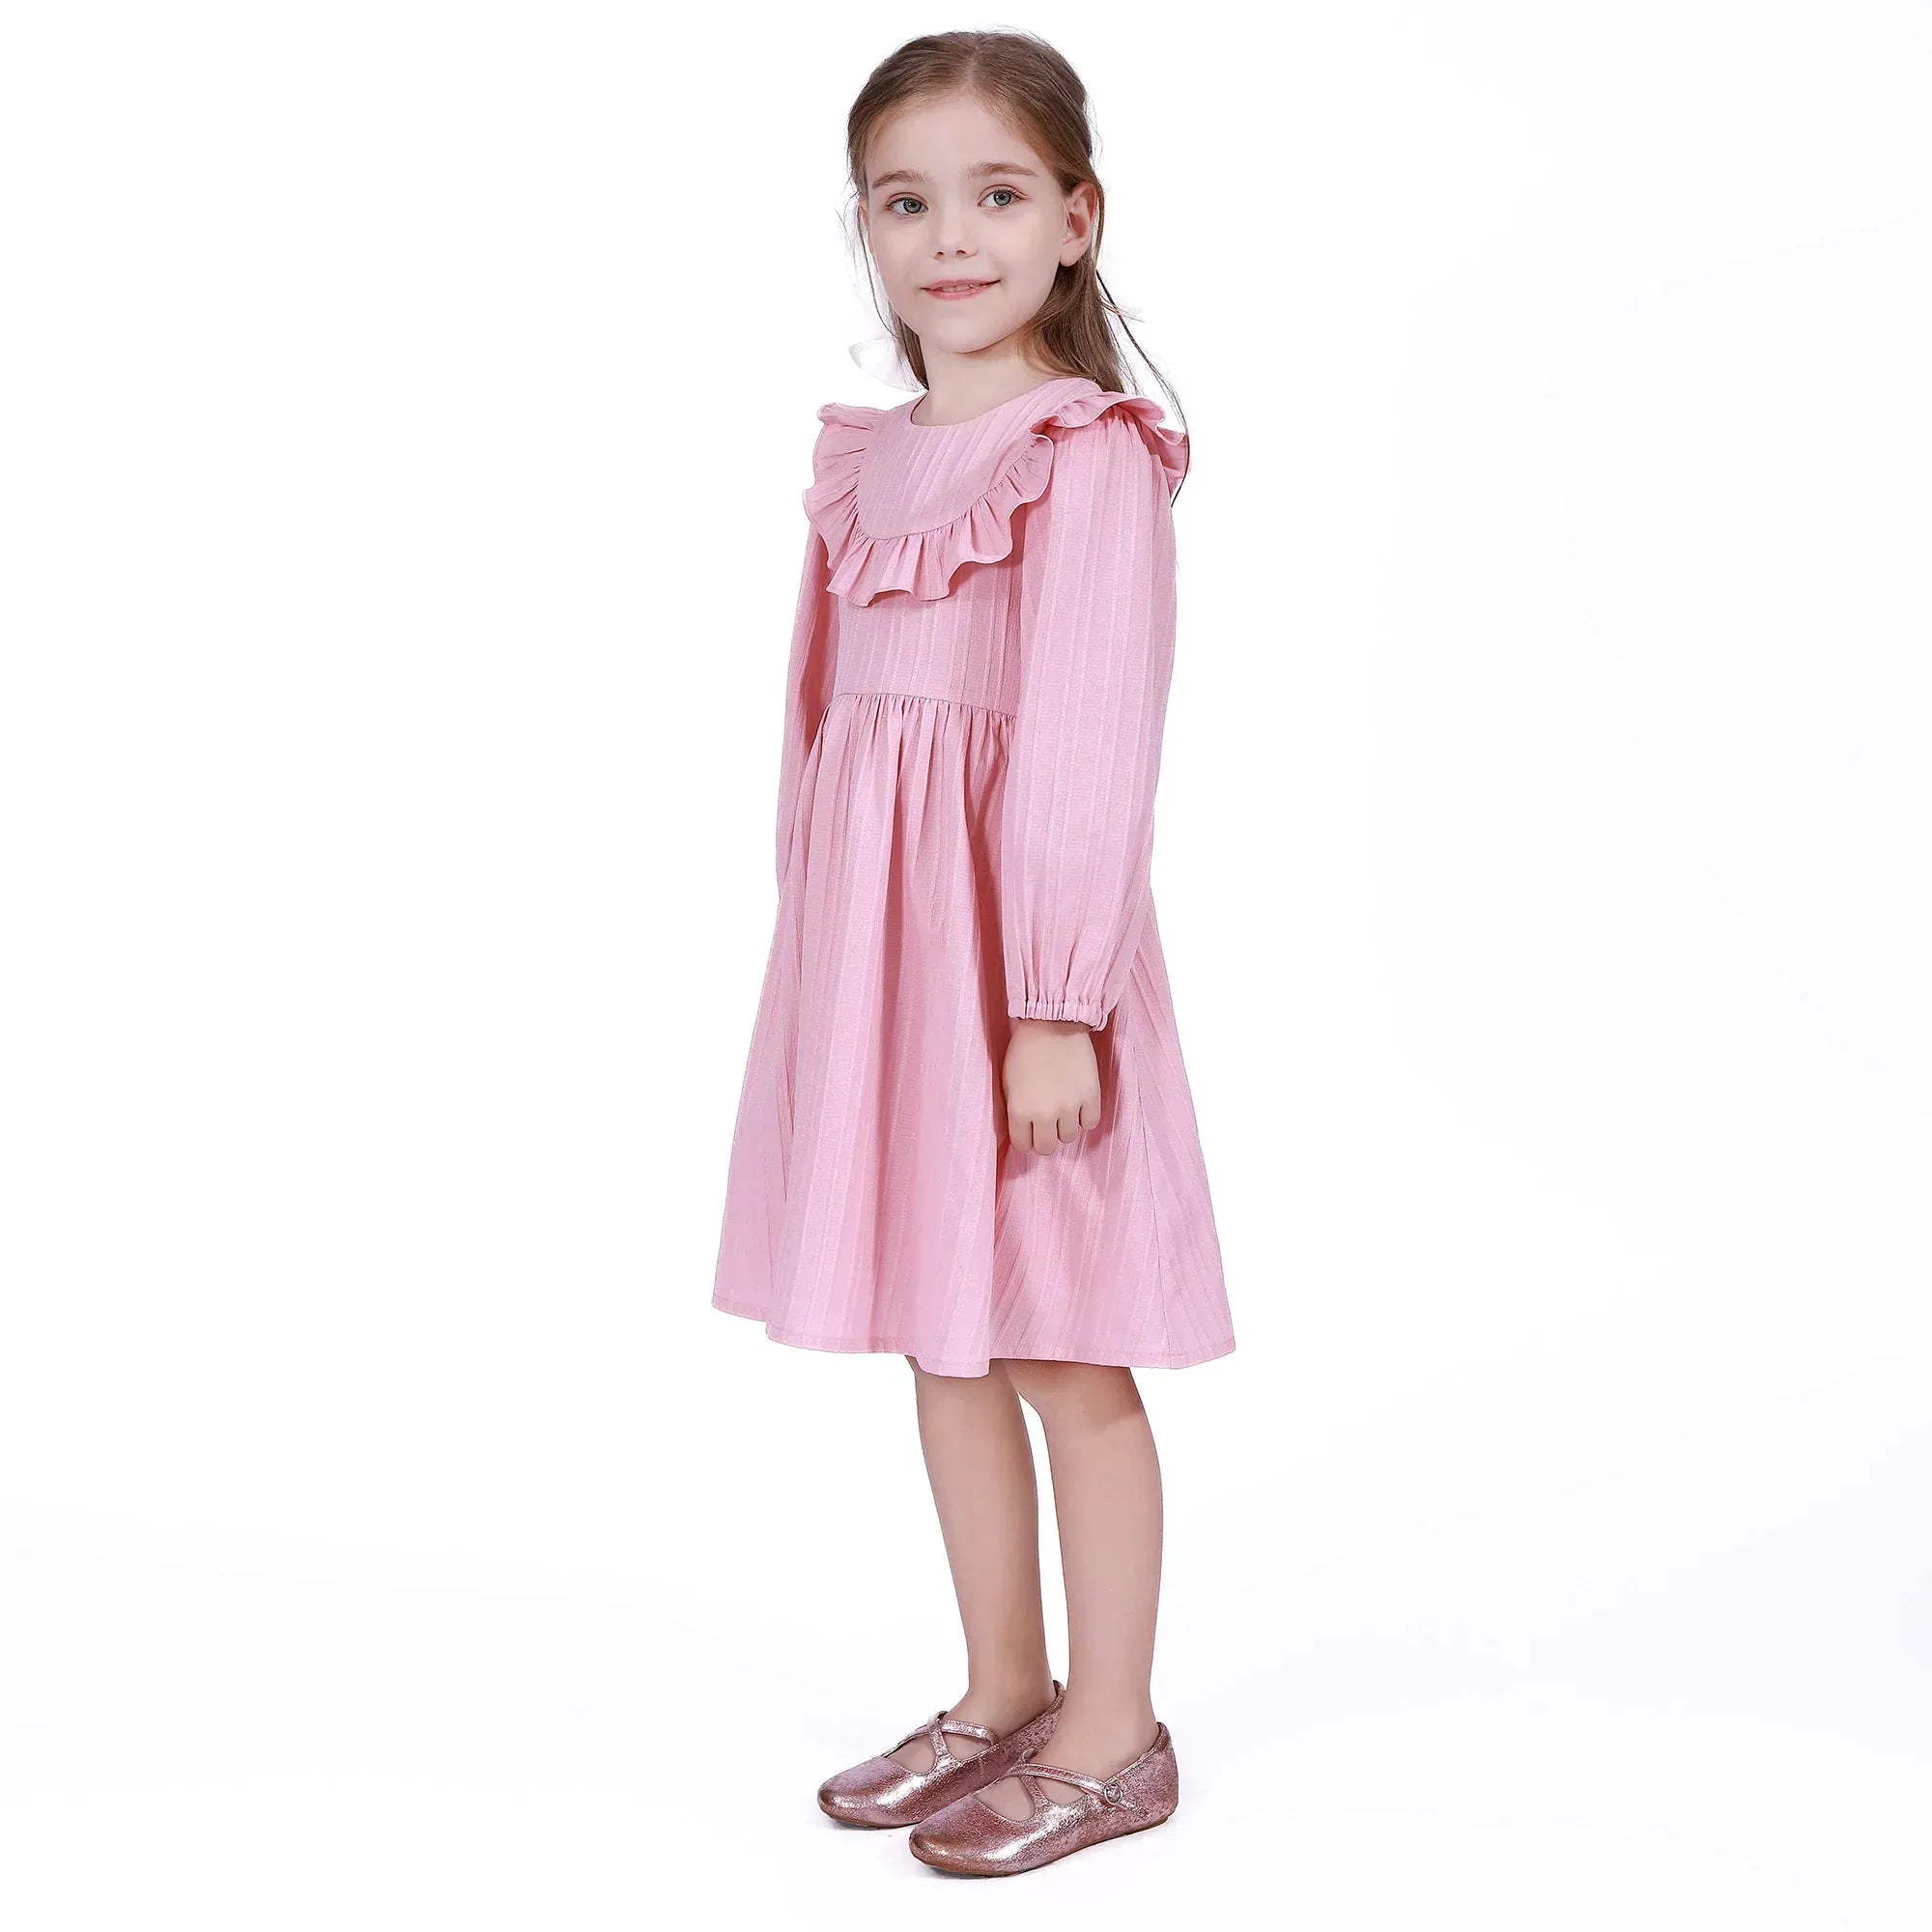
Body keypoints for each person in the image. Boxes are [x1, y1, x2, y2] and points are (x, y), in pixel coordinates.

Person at [710, 28, 1236, 1876]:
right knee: (945, 1340)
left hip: (1022, 975)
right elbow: (822, 727)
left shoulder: (1085, 457)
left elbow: (1092, 736)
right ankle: (1005, 1687)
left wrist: (1055, 1001)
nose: (952, 236)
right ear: (863, 227)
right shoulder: (867, 461)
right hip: (888, 971)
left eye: (998, 194)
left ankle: (1116, 1730)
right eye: (907, 201)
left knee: (1063, 1344)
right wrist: (819, 964)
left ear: (1076, 218)